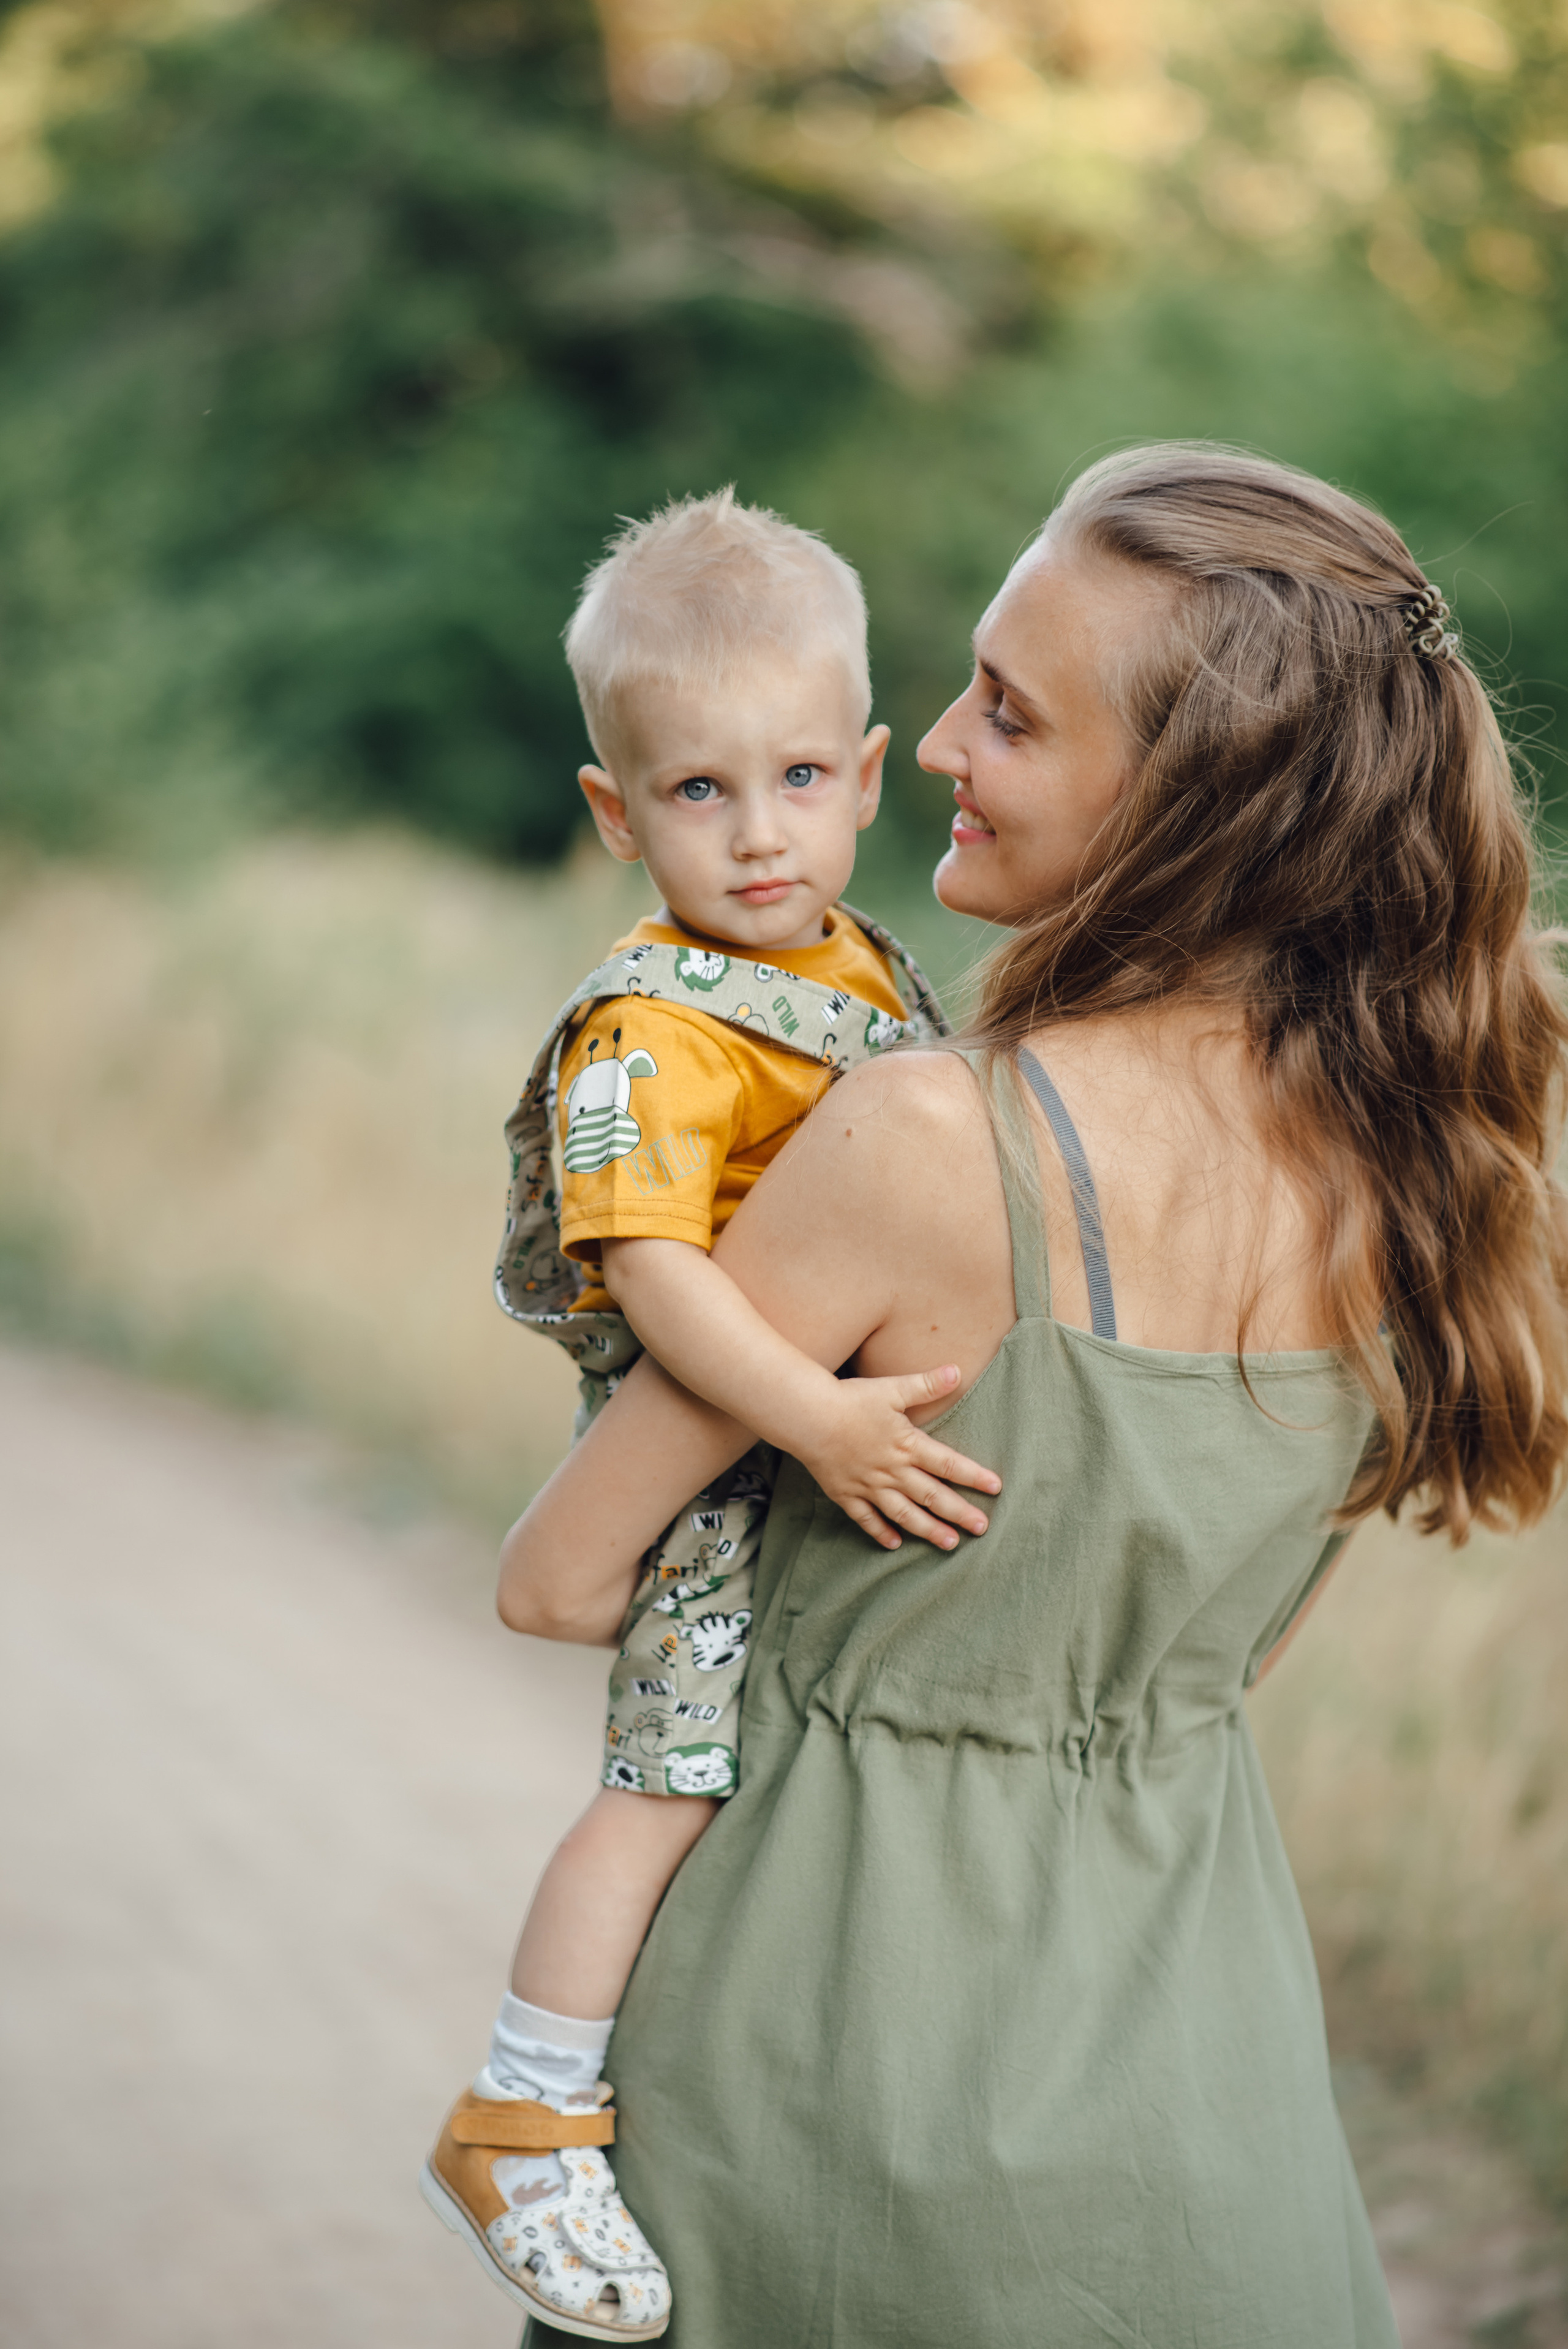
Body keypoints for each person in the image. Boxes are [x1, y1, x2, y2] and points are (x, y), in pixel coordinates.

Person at [494, 445, 1568, 2347]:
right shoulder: (1431, 1169)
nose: (939, 745)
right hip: (1208, 2093)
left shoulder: (920, 1133)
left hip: (827, 2080)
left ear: (1186, 806)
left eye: (1010, 710)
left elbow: (567, 1581)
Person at [421, 489, 996, 2340]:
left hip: (798, 1439)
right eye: (697, 792)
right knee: (663, 1783)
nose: (760, 833)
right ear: (615, 810)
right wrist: (819, 1428)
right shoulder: (652, 1029)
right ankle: (527, 2104)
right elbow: (666, 1283)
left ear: (871, 773)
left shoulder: (848, 969)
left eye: (802, 776)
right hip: (706, 1463)